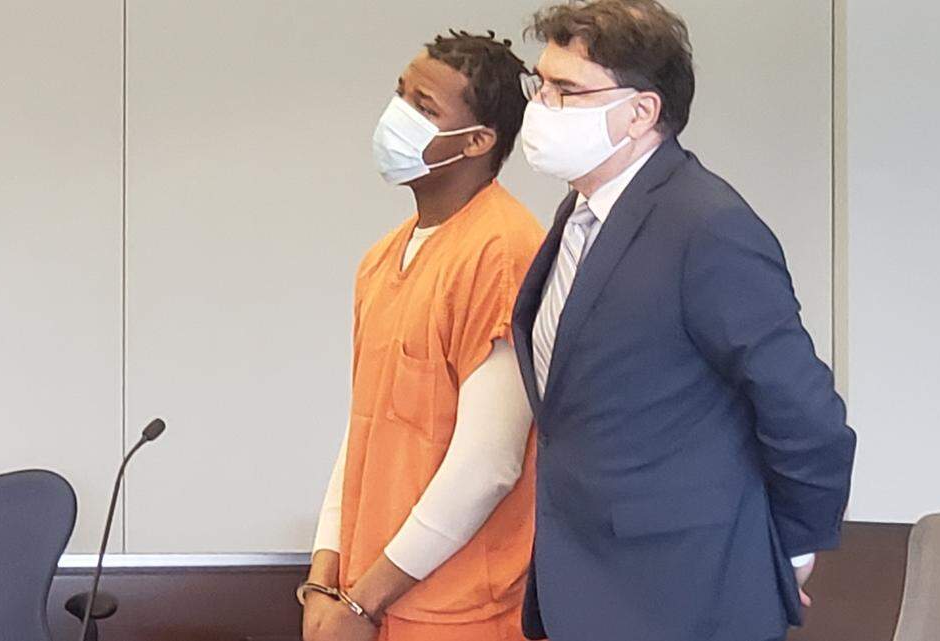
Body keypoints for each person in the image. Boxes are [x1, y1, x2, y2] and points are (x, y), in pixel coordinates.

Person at [511, 2, 857, 640]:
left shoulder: (707, 225)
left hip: (686, 593)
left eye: (566, 90)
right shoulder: (579, 215)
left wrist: (788, 552)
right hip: (589, 581)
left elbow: (806, 414)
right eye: (540, 83)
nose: (541, 105)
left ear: (640, 112)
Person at [299, 30, 543, 641]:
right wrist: (325, 578)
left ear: (479, 141)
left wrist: (361, 603)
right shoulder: (381, 260)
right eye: (400, 95)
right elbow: (363, 432)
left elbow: (488, 464)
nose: (397, 116)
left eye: (424, 107)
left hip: (458, 614)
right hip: (368, 601)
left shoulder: (503, 251)